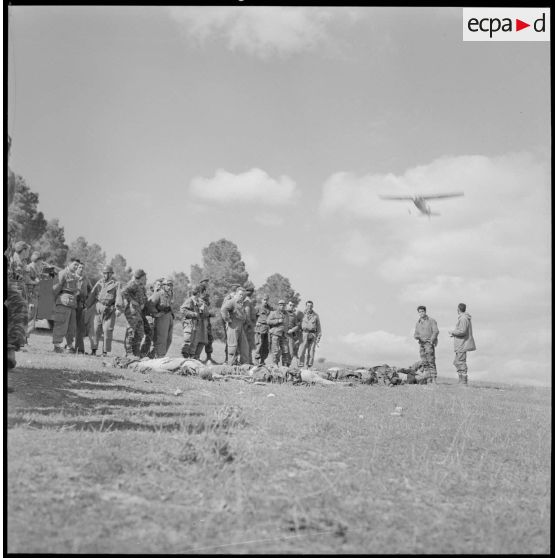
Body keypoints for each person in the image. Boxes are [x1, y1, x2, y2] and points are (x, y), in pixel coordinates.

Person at [86, 264, 120, 356]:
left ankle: (105, 352)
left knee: (108, 330)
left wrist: (118, 308)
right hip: (98, 308)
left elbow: (118, 297)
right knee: (95, 329)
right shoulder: (99, 282)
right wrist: (87, 305)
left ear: (111, 274)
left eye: (107, 273)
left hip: (110, 309)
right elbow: (93, 294)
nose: (105, 275)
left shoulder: (116, 284)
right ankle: (93, 350)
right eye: (104, 273)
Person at [117, 269, 148, 357]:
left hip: (138, 312)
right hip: (131, 311)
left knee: (140, 332)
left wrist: (142, 303)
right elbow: (123, 292)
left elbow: (143, 297)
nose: (146, 279)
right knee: (131, 332)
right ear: (141, 277)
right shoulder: (132, 283)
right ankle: (129, 352)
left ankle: (136, 351)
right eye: (144, 277)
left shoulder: (141, 286)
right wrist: (132, 300)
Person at [52, 258, 81, 353]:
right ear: (69, 263)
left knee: (71, 327)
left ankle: (69, 346)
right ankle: (56, 346)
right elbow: (56, 288)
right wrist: (54, 301)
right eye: (75, 264)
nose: (76, 266)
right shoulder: (63, 273)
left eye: (77, 265)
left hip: (72, 304)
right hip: (63, 302)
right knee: (61, 324)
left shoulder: (75, 276)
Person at [146, 277, 175, 358]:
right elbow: (149, 304)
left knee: (169, 339)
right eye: (168, 285)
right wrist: (156, 314)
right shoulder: (159, 294)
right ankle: (160, 357)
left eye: (171, 285)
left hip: (169, 318)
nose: (170, 287)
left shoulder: (169, 295)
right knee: (161, 339)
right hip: (161, 319)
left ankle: (159, 356)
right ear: (163, 286)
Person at [220, 286, 249, 365]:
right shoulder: (232, 301)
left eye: (243, 295)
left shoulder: (241, 303)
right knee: (232, 347)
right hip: (233, 325)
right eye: (240, 294)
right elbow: (223, 309)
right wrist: (227, 319)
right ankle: (231, 365)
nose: (241, 296)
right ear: (236, 294)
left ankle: (244, 365)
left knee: (244, 347)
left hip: (240, 326)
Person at [449, 303, 476, 385]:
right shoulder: (463, 318)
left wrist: (453, 332)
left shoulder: (463, 318)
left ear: (458, 309)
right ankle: (461, 380)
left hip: (462, 344)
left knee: (460, 361)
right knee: (456, 362)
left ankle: (463, 381)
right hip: (460, 344)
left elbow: (462, 331)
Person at [180, 285, 209, 359]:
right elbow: (182, 310)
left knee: (193, 344)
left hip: (195, 325)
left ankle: (191, 359)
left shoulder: (197, 301)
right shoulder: (190, 300)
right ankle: (185, 359)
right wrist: (193, 314)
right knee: (187, 342)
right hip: (190, 324)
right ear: (198, 293)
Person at [413, 305, 439, 384]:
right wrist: (417, 337)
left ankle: (434, 378)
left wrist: (431, 340)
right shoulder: (418, 323)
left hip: (429, 343)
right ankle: (428, 379)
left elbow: (436, 331)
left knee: (431, 361)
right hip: (421, 344)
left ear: (425, 311)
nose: (421, 313)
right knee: (424, 362)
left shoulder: (431, 320)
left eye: (422, 311)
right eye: (419, 312)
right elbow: (415, 334)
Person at [199, 279, 218, 364]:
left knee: (209, 338)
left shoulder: (206, 295)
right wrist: (209, 314)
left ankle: (209, 358)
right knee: (199, 339)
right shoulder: (197, 295)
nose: (207, 285)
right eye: (206, 284)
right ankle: (195, 357)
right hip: (200, 320)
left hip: (207, 320)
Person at [297, 300, 322, 368]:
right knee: (301, 350)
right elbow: (297, 325)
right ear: (306, 306)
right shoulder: (301, 314)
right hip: (304, 333)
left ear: (312, 306)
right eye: (308, 306)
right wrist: (296, 335)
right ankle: (300, 365)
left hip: (312, 334)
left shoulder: (316, 315)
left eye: (311, 306)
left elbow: (319, 327)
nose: (309, 307)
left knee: (311, 352)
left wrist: (318, 337)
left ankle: (308, 366)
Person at [25, 251, 44, 339]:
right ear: (37, 260)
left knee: (31, 321)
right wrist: (36, 282)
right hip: (30, 297)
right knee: (29, 321)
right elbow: (26, 281)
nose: (42, 262)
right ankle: (22, 339)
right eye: (41, 260)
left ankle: (24, 339)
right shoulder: (30, 268)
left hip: (35, 297)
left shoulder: (36, 268)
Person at [74, 262, 91, 354]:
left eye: (82, 268)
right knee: (70, 327)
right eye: (79, 267)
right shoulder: (72, 277)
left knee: (80, 328)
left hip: (81, 305)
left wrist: (87, 302)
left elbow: (91, 291)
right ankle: (69, 346)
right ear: (76, 268)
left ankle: (80, 349)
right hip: (71, 304)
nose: (81, 269)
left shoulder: (86, 279)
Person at [267, 300, 291, 366]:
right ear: (278, 305)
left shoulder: (287, 314)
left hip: (284, 335)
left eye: (283, 305)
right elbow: (268, 321)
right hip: (275, 334)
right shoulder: (273, 313)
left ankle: (285, 366)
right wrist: (277, 321)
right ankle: (275, 365)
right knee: (275, 350)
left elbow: (287, 324)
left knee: (286, 351)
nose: (282, 306)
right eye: (280, 305)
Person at [222, 283, 240, 363]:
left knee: (234, 341)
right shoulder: (229, 298)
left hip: (235, 323)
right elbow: (224, 310)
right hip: (230, 323)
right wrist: (228, 320)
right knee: (230, 341)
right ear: (236, 290)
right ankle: (228, 359)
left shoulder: (236, 298)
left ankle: (234, 360)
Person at [254, 295, 273, 365]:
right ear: (262, 300)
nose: (265, 301)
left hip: (268, 328)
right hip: (260, 328)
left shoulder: (270, 309)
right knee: (260, 344)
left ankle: (262, 360)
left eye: (267, 300)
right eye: (264, 300)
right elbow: (252, 317)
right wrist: (256, 322)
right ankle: (256, 360)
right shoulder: (258, 308)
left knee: (266, 345)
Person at [243, 285, 257, 365]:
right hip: (248, 325)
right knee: (248, 343)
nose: (251, 293)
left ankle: (249, 360)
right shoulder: (248, 300)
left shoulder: (247, 300)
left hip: (249, 324)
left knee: (249, 344)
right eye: (251, 291)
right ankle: (248, 360)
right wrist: (250, 324)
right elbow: (247, 313)